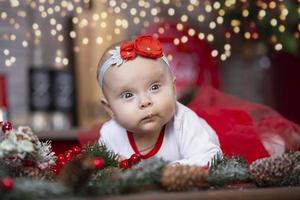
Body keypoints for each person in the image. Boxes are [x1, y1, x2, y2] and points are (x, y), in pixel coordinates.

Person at [97, 35, 221, 166]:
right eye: (128, 95)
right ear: (110, 109)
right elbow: (99, 170)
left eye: (155, 87)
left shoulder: (184, 123)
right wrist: (111, 168)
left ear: (173, 90)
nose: (145, 101)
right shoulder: (110, 134)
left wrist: (175, 170)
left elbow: (210, 157)